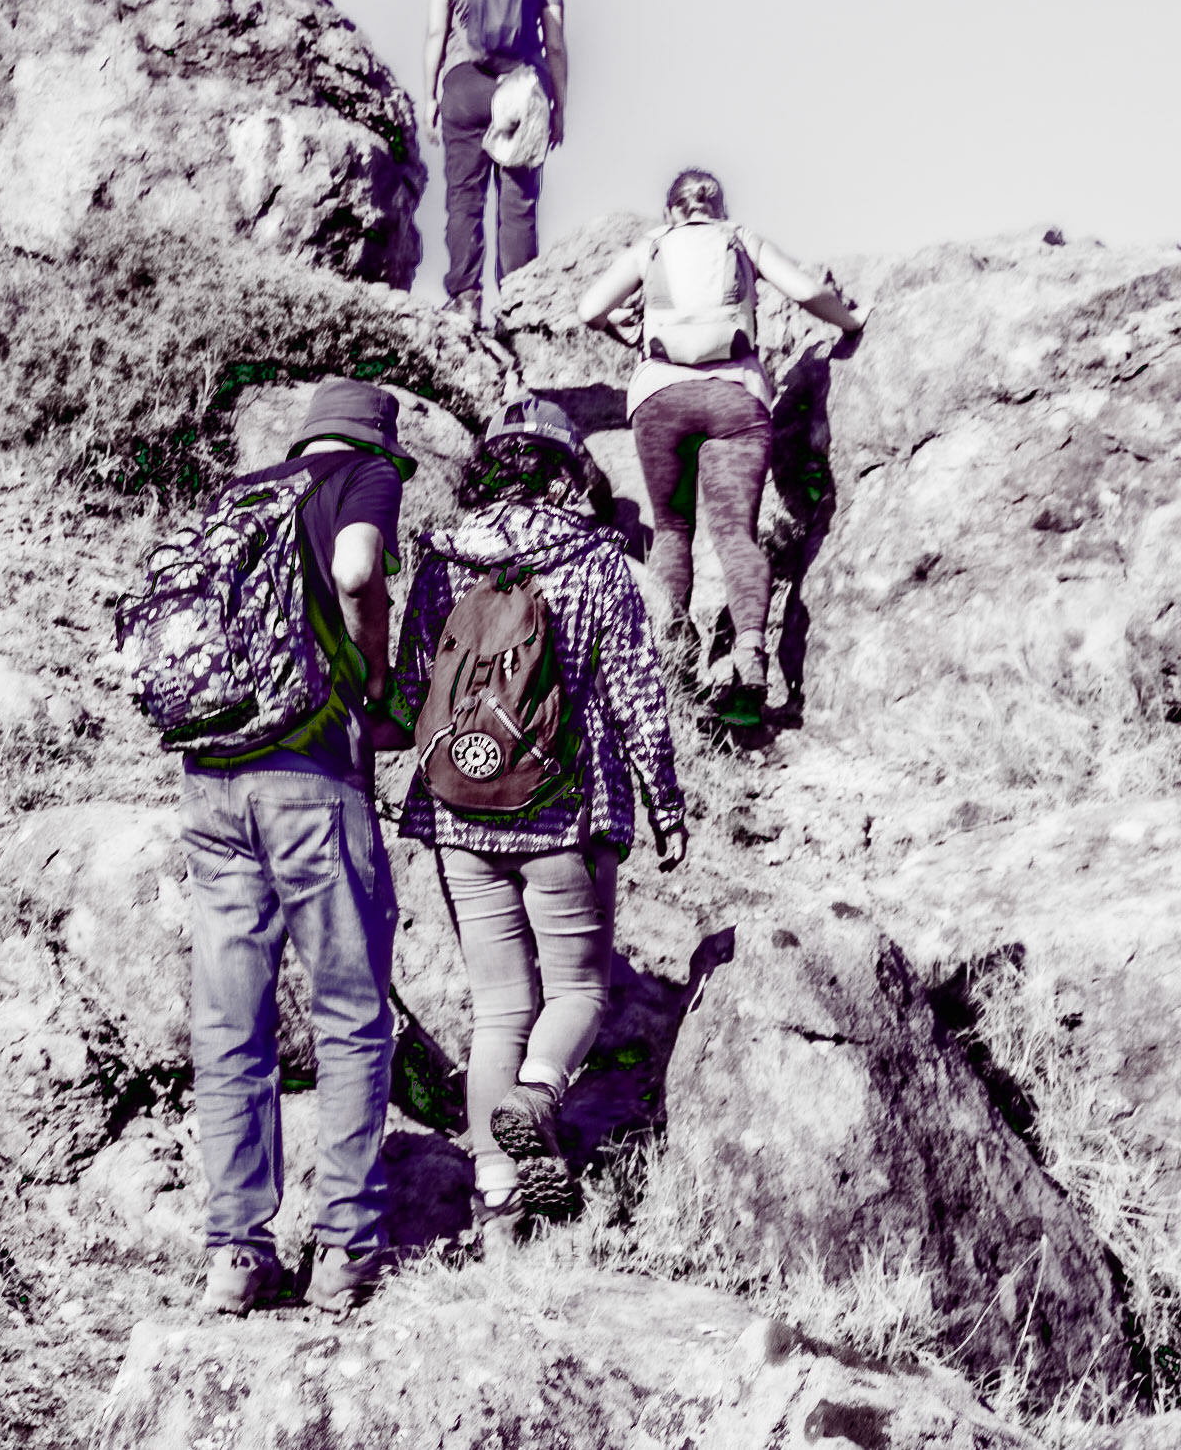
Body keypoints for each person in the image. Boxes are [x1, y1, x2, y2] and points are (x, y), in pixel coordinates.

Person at [393, 396, 685, 1234]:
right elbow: (633, 690)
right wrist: (662, 803)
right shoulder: (595, 558)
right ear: (569, 474)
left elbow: (417, 683)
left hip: (457, 810)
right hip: (565, 806)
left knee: (496, 1007)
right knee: (580, 989)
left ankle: (495, 1196)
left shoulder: (443, 558)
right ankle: (540, 1091)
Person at [178, 378, 414, 1317]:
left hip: (212, 779)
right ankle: (345, 1245)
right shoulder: (361, 478)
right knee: (350, 1012)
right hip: (310, 774)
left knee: (230, 1021)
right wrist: (370, 671)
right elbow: (358, 571)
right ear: (374, 442)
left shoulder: (241, 495)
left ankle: (236, 1253)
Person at [577, 169, 867, 692]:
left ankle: (669, 663)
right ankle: (751, 652)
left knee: (672, 531)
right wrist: (850, 320)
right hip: (735, 396)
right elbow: (804, 291)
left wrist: (617, 326)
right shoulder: (740, 238)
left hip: (661, 397)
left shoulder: (653, 245)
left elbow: (588, 308)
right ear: (719, 208)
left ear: (671, 211)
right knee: (735, 534)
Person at [423, 0, 568, 324]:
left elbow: (436, 31)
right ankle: (519, 307)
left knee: (464, 197)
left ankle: (466, 299)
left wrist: (429, 94)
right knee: (518, 203)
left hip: (463, 85)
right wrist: (559, 105)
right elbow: (557, 45)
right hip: (523, 90)